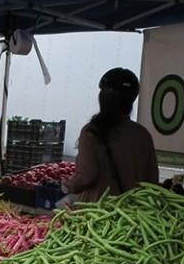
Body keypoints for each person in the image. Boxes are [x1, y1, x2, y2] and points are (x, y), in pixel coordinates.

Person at [65, 67, 158, 202]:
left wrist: (70, 184)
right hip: (136, 214)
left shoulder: (92, 132)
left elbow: (86, 176)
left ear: (102, 98)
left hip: (98, 212)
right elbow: (152, 180)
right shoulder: (143, 135)